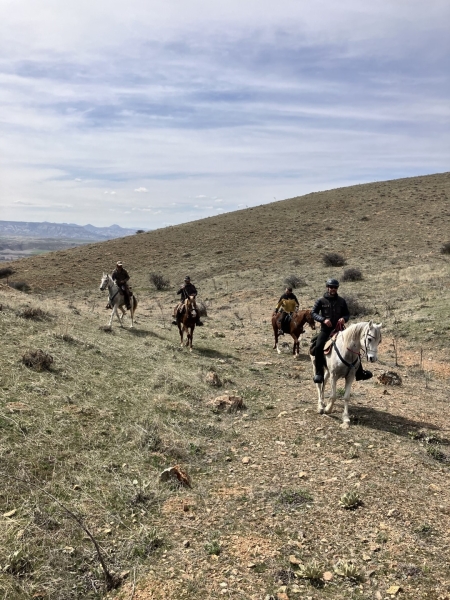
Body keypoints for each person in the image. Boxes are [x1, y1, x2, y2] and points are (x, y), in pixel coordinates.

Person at [312, 278, 372, 383]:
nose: (333, 289)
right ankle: (319, 373)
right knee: (318, 346)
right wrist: (323, 320)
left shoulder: (341, 301)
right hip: (326, 330)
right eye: (331, 287)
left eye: (335, 287)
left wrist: (344, 318)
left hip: (340, 330)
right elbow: (313, 313)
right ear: (327, 288)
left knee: (354, 345)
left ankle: (360, 373)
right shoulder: (321, 300)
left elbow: (347, 314)